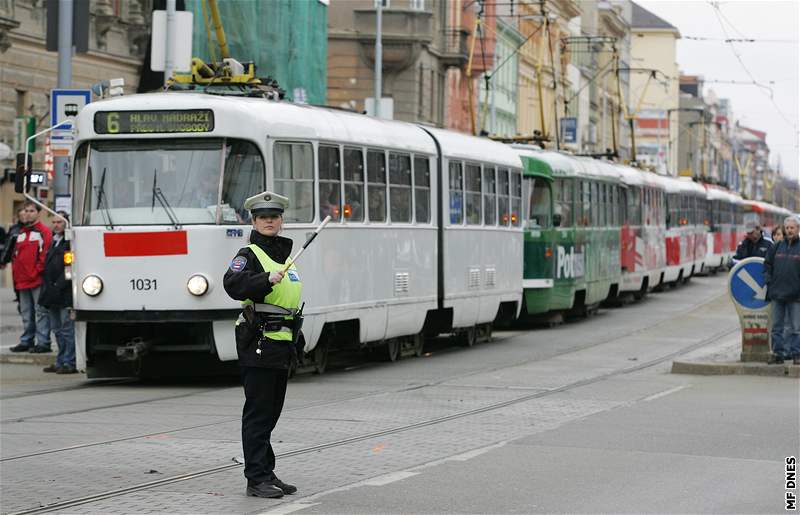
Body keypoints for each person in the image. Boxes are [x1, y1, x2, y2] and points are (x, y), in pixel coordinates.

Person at [223, 191, 302, 499]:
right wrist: (265, 279)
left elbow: (289, 302)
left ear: (281, 221)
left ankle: (266, 472)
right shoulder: (250, 254)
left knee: (271, 414)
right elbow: (233, 284)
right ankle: (255, 478)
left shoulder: (286, 256)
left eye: (275, 216)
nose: (270, 221)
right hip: (259, 342)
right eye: (263, 217)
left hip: (281, 344)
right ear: (254, 221)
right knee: (258, 413)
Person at [9, 201, 52, 353]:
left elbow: (44, 256)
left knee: (40, 312)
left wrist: (35, 272)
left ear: (38, 213)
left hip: (36, 279)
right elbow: (15, 257)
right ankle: (27, 340)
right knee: (26, 312)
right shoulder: (20, 233)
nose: (27, 213)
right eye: (25, 210)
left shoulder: (44, 232)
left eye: (31, 211)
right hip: (21, 280)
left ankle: (43, 342)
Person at [38, 212, 76, 374]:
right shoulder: (52, 242)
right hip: (51, 292)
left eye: (59, 222)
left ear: (66, 223)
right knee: (57, 329)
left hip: (64, 292)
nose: (56, 225)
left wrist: (58, 285)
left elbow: (70, 268)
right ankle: (61, 360)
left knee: (67, 329)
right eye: (53, 222)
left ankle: (70, 361)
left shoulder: (69, 243)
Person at [764, 216, 800, 365]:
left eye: (792, 227)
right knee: (776, 327)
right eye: (787, 228)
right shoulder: (777, 246)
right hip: (777, 294)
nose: (789, 230)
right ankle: (777, 354)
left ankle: (796, 354)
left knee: (796, 328)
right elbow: (767, 265)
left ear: (797, 229)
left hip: (796, 296)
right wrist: (769, 282)